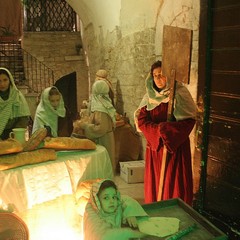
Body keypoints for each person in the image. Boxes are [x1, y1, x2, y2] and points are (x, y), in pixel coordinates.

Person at [135, 60, 197, 205]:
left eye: (162, 75)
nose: (158, 78)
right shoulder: (149, 97)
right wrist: (158, 131)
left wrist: (167, 132)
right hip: (155, 150)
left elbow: (189, 121)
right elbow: (142, 120)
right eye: (155, 75)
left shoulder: (180, 93)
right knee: (155, 184)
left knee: (173, 183)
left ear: (169, 75)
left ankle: (175, 215)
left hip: (175, 150)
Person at [83, 179, 148, 240]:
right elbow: (102, 236)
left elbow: (126, 199)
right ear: (97, 200)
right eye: (106, 198)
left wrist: (129, 213)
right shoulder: (91, 213)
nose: (112, 201)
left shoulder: (115, 204)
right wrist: (132, 233)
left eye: (114, 197)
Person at [77, 80, 116, 173]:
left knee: (103, 165)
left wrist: (85, 126)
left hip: (103, 140)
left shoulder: (100, 109)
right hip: (107, 138)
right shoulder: (105, 104)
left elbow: (101, 128)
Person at [0, 67, 31, 140]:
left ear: (10, 80)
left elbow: (23, 118)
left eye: (5, 80)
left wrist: (14, 134)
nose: (2, 84)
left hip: (14, 135)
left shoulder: (17, 96)